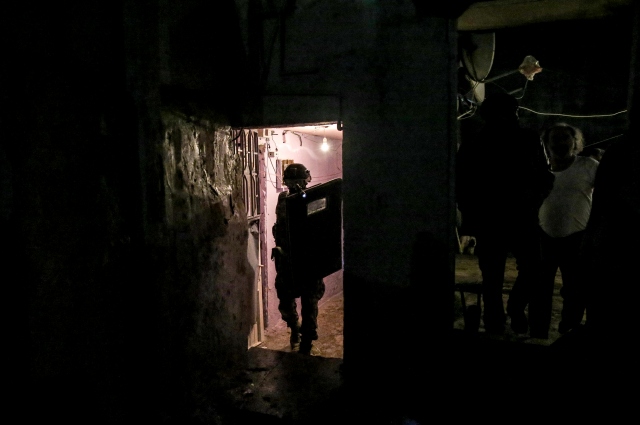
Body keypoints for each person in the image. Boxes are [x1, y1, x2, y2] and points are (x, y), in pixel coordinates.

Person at [456, 92, 554, 334]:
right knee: (496, 275)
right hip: (495, 219)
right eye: (509, 112)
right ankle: (497, 320)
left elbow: (545, 177)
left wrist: (533, 200)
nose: (513, 116)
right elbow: (462, 184)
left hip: (517, 216)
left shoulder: (526, 139)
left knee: (526, 269)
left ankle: (510, 311)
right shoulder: (476, 144)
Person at [537, 123, 598, 338]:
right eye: (555, 138)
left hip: (577, 238)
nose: (560, 143)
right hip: (543, 238)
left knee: (575, 289)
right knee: (540, 289)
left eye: (565, 138)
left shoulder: (588, 166)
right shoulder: (540, 169)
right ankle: (538, 332)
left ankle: (569, 330)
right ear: (546, 143)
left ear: (575, 142)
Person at [271, 163, 325, 355]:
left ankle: (307, 342)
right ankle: (295, 330)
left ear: (306, 181)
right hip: (287, 259)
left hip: (308, 259)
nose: (295, 185)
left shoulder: (314, 198)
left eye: (299, 181)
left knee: (310, 303)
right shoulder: (283, 199)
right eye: (291, 181)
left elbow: (320, 227)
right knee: (285, 301)